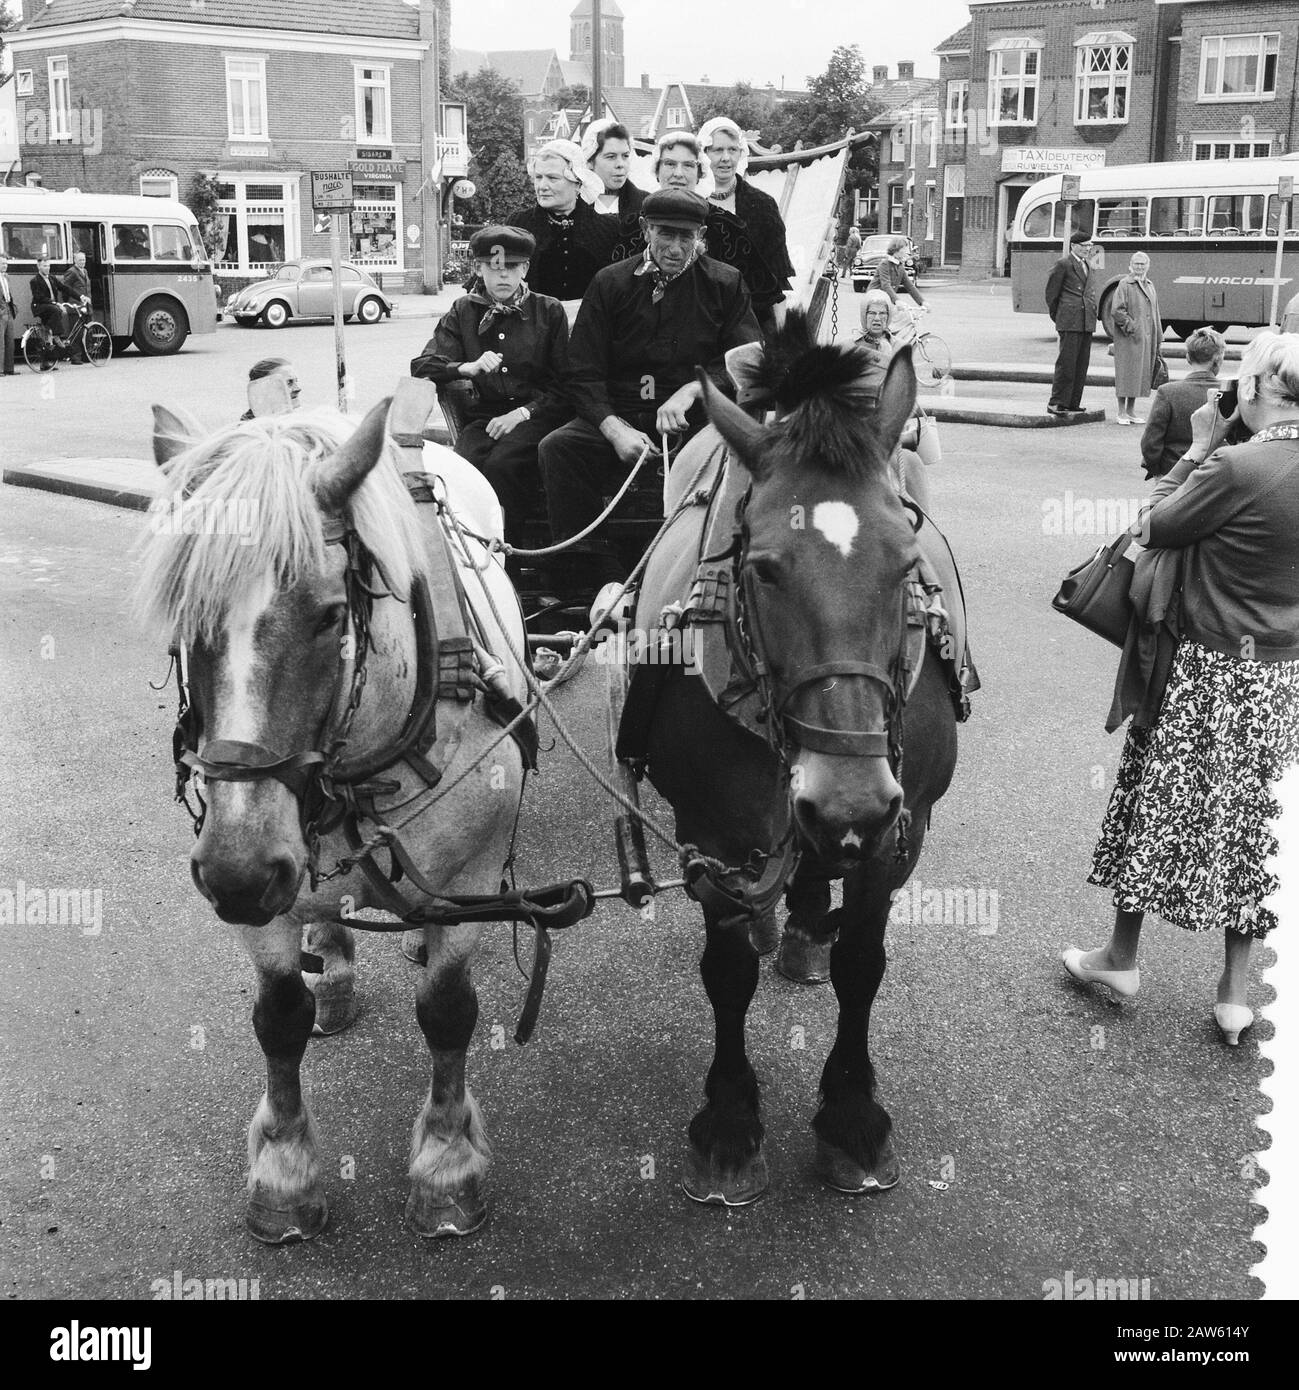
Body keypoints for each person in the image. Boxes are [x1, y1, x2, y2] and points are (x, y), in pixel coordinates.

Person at [1064, 332, 1299, 1047]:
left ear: (1254, 388)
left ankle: (1120, 959)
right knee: (1256, 827)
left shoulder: (1238, 463)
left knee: (1154, 804)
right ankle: (1233, 993)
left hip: (1206, 668)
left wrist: (1199, 443)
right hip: (1283, 678)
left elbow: (1151, 523)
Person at [538, 188, 760, 605]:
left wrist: (694, 391)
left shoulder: (725, 283)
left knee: (735, 461)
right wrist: (612, 428)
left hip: (693, 420)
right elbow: (580, 370)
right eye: (665, 234)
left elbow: (744, 358)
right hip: (618, 414)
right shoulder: (610, 282)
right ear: (645, 229)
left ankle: (708, 569)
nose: (675, 248)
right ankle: (600, 576)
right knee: (558, 448)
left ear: (701, 235)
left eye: (686, 237)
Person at [410, 225, 571, 548]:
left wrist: (523, 414)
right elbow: (422, 365)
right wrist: (465, 367)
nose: (503, 277)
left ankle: (508, 552)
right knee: (463, 466)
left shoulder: (548, 311)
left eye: (511, 267)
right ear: (479, 268)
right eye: (493, 268)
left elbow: (566, 384)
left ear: (525, 268)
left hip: (536, 414)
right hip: (485, 417)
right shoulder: (464, 310)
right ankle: (467, 550)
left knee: (504, 465)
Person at [697, 116, 795, 337]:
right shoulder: (690, 201)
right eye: (717, 150)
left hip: (754, 321)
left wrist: (781, 338)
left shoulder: (762, 205)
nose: (726, 158)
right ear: (703, 153)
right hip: (700, 321)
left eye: (733, 150)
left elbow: (777, 280)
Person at [505, 139, 616, 304]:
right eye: (538, 177)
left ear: (578, 183)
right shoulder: (518, 225)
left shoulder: (609, 228)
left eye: (552, 178)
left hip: (590, 325)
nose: (542, 186)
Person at [856, 288, 936, 510]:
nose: (877, 319)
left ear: (889, 317)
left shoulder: (900, 348)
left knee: (912, 467)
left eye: (883, 314)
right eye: (872, 313)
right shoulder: (848, 347)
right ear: (864, 315)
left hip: (887, 427)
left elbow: (906, 391)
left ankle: (924, 524)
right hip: (856, 424)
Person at [1139, 328, 1224, 479]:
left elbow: (1150, 442)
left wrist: (1157, 469)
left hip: (1172, 472)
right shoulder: (1228, 393)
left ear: (1188, 358)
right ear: (1218, 359)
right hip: (1216, 474)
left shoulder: (1168, 392)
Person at [1045, 231, 1098, 417]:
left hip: (1085, 321)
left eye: (1089, 246)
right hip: (1070, 320)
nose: (1087, 249)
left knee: (1081, 364)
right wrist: (1060, 316)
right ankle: (1057, 402)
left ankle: (1073, 402)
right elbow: (1052, 294)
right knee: (1066, 364)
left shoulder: (1087, 264)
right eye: (1084, 246)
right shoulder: (1064, 264)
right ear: (1073, 246)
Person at [581, 118, 647, 263]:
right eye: (610, 157)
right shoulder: (575, 205)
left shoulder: (646, 205)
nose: (620, 165)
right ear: (590, 161)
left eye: (625, 156)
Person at [1111, 252, 1163, 425]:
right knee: (1126, 374)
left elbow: (1155, 312)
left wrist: (1158, 335)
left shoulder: (1150, 284)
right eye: (1137, 264)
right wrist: (1132, 328)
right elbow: (1117, 311)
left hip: (1146, 338)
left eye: (1143, 264)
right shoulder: (1124, 284)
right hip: (1129, 338)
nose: (1140, 267)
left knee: (1139, 375)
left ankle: (1131, 411)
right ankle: (1121, 412)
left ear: (1148, 265)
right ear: (1131, 265)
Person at [30, 255, 79, 350]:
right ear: (39, 267)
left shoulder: (52, 278)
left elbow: (64, 288)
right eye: (44, 266)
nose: (47, 268)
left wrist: (80, 297)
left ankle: (49, 347)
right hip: (39, 306)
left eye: (48, 266)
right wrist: (55, 303)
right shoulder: (34, 281)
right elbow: (39, 297)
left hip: (50, 306)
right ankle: (57, 336)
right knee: (56, 310)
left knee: (49, 325)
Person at [0, 253, 17, 376]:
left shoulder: (6, 277)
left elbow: (8, 295)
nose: (5, 266)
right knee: (0, 343)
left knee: (10, 341)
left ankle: (9, 368)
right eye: (2, 263)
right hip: (1, 312)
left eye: (6, 263)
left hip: (8, 311)